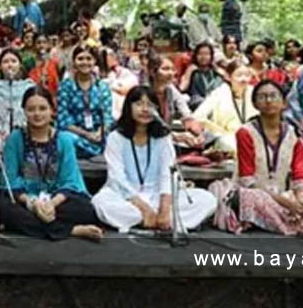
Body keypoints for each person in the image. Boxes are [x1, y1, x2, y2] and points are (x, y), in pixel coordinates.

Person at [208, 80, 303, 235]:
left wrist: (300, 199)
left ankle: (292, 221)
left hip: (283, 196)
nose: (268, 100)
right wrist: (286, 203)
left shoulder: (293, 133)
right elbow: (247, 180)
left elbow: (300, 172)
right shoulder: (245, 132)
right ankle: (299, 224)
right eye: (262, 97)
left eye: (273, 96)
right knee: (249, 197)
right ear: (255, 104)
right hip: (256, 194)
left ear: (284, 102)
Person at [91, 86, 217, 233]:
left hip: (158, 196)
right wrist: (144, 209)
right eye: (139, 104)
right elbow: (117, 178)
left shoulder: (163, 138)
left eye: (150, 105)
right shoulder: (116, 138)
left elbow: (166, 175)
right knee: (100, 202)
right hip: (126, 198)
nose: (145, 109)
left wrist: (164, 208)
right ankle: (161, 220)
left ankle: (156, 220)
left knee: (207, 199)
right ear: (128, 107)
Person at [0, 88, 103, 241]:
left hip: (57, 199)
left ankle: (44, 227)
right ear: (24, 111)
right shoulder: (15, 139)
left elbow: (70, 181)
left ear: (52, 110)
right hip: (26, 200)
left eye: (42, 108)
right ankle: (72, 230)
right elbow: (10, 180)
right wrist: (33, 203)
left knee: (86, 210)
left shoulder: (64, 140)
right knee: (4, 208)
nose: (37, 114)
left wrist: (52, 204)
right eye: (31, 109)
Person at [57, 46, 114, 159]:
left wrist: (99, 133)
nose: (85, 62)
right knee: (65, 138)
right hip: (76, 135)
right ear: (74, 62)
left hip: (99, 134)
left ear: (95, 61)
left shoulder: (102, 87)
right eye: (80, 58)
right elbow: (63, 118)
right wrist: (86, 135)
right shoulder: (66, 86)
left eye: (89, 59)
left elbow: (107, 115)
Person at [191, 63, 257, 154]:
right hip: (226, 137)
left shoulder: (254, 92)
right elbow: (198, 116)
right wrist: (214, 129)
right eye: (239, 75)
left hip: (252, 137)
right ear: (228, 77)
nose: (244, 79)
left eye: (247, 75)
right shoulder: (219, 93)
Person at [179, 42, 225, 110]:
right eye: (200, 54)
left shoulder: (215, 72)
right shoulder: (192, 70)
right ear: (196, 56)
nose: (203, 57)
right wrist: (189, 72)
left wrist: (221, 73)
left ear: (211, 56)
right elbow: (182, 88)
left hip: (215, 101)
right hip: (197, 102)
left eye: (206, 54)